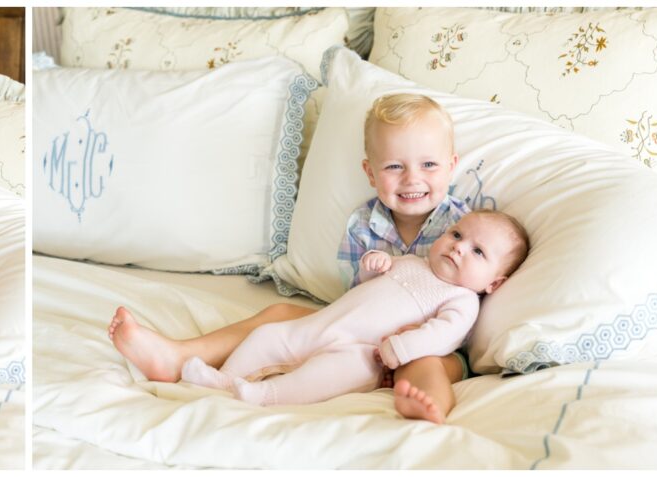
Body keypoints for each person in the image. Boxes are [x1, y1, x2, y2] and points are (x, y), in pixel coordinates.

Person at [108, 93, 476, 421]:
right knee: (279, 316)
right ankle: (177, 356)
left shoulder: (463, 227)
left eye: (429, 165)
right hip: (360, 331)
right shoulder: (364, 225)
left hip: (434, 341)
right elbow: (356, 298)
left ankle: (427, 405)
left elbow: (479, 281)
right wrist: (370, 276)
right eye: (395, 166)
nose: (412, 179)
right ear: (370, 172)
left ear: (451, 165)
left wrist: (421, 337)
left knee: (426, 364)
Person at [181, 211, 528, 423]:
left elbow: (443, 336)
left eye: (478, 251)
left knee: (327, 374)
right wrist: (371, 268)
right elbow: (363, 292)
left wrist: (399, 349)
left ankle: (265, 395)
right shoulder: (411, 261)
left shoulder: (462, 299)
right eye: (457, 234)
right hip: (325, 324)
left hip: (366, 352)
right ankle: (225, 379)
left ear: (494, 283)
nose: (458, 247)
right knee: (268, 336)